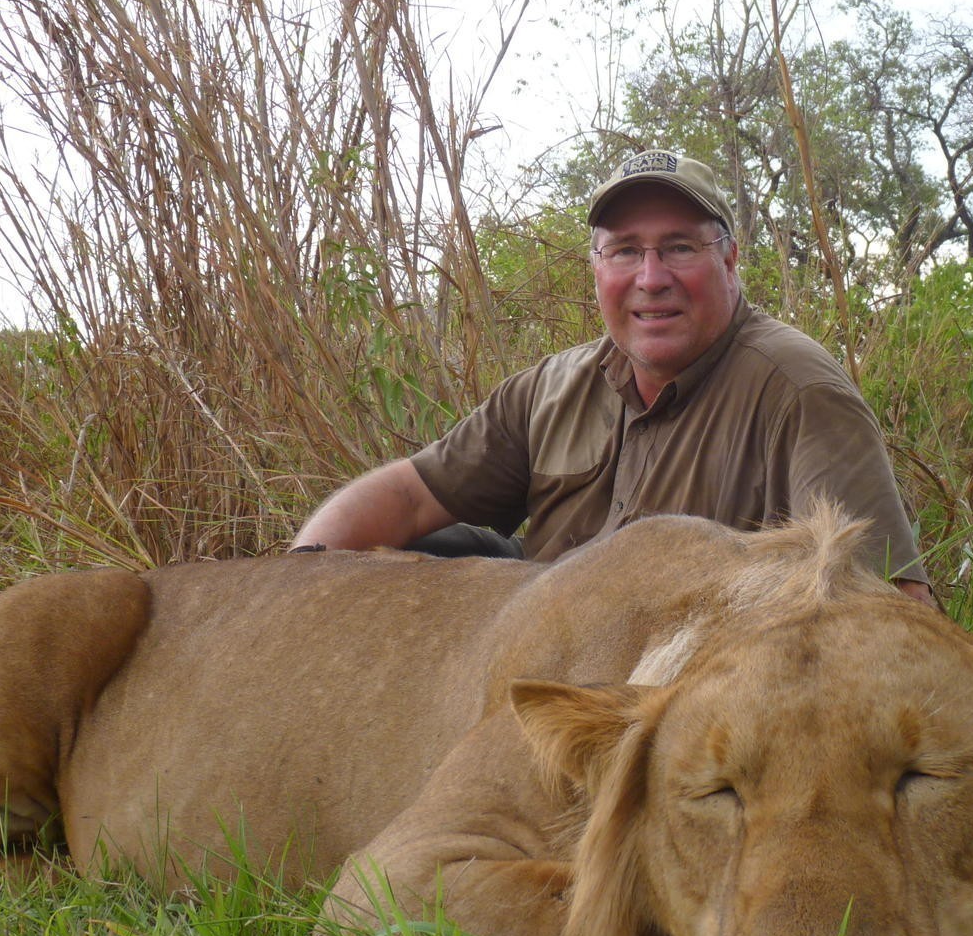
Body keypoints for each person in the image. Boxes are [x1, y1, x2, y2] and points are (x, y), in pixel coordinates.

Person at [292, 149, 932, 604]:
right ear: (596, 268)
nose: (652, 278)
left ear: (731, 261)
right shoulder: (552, 386)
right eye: (625, 250)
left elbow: (891, 605)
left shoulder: (798, 389)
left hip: (683, 686)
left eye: (680, 247)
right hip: (543, 642)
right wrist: (292, 591)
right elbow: (409, 497)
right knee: (429, 551)